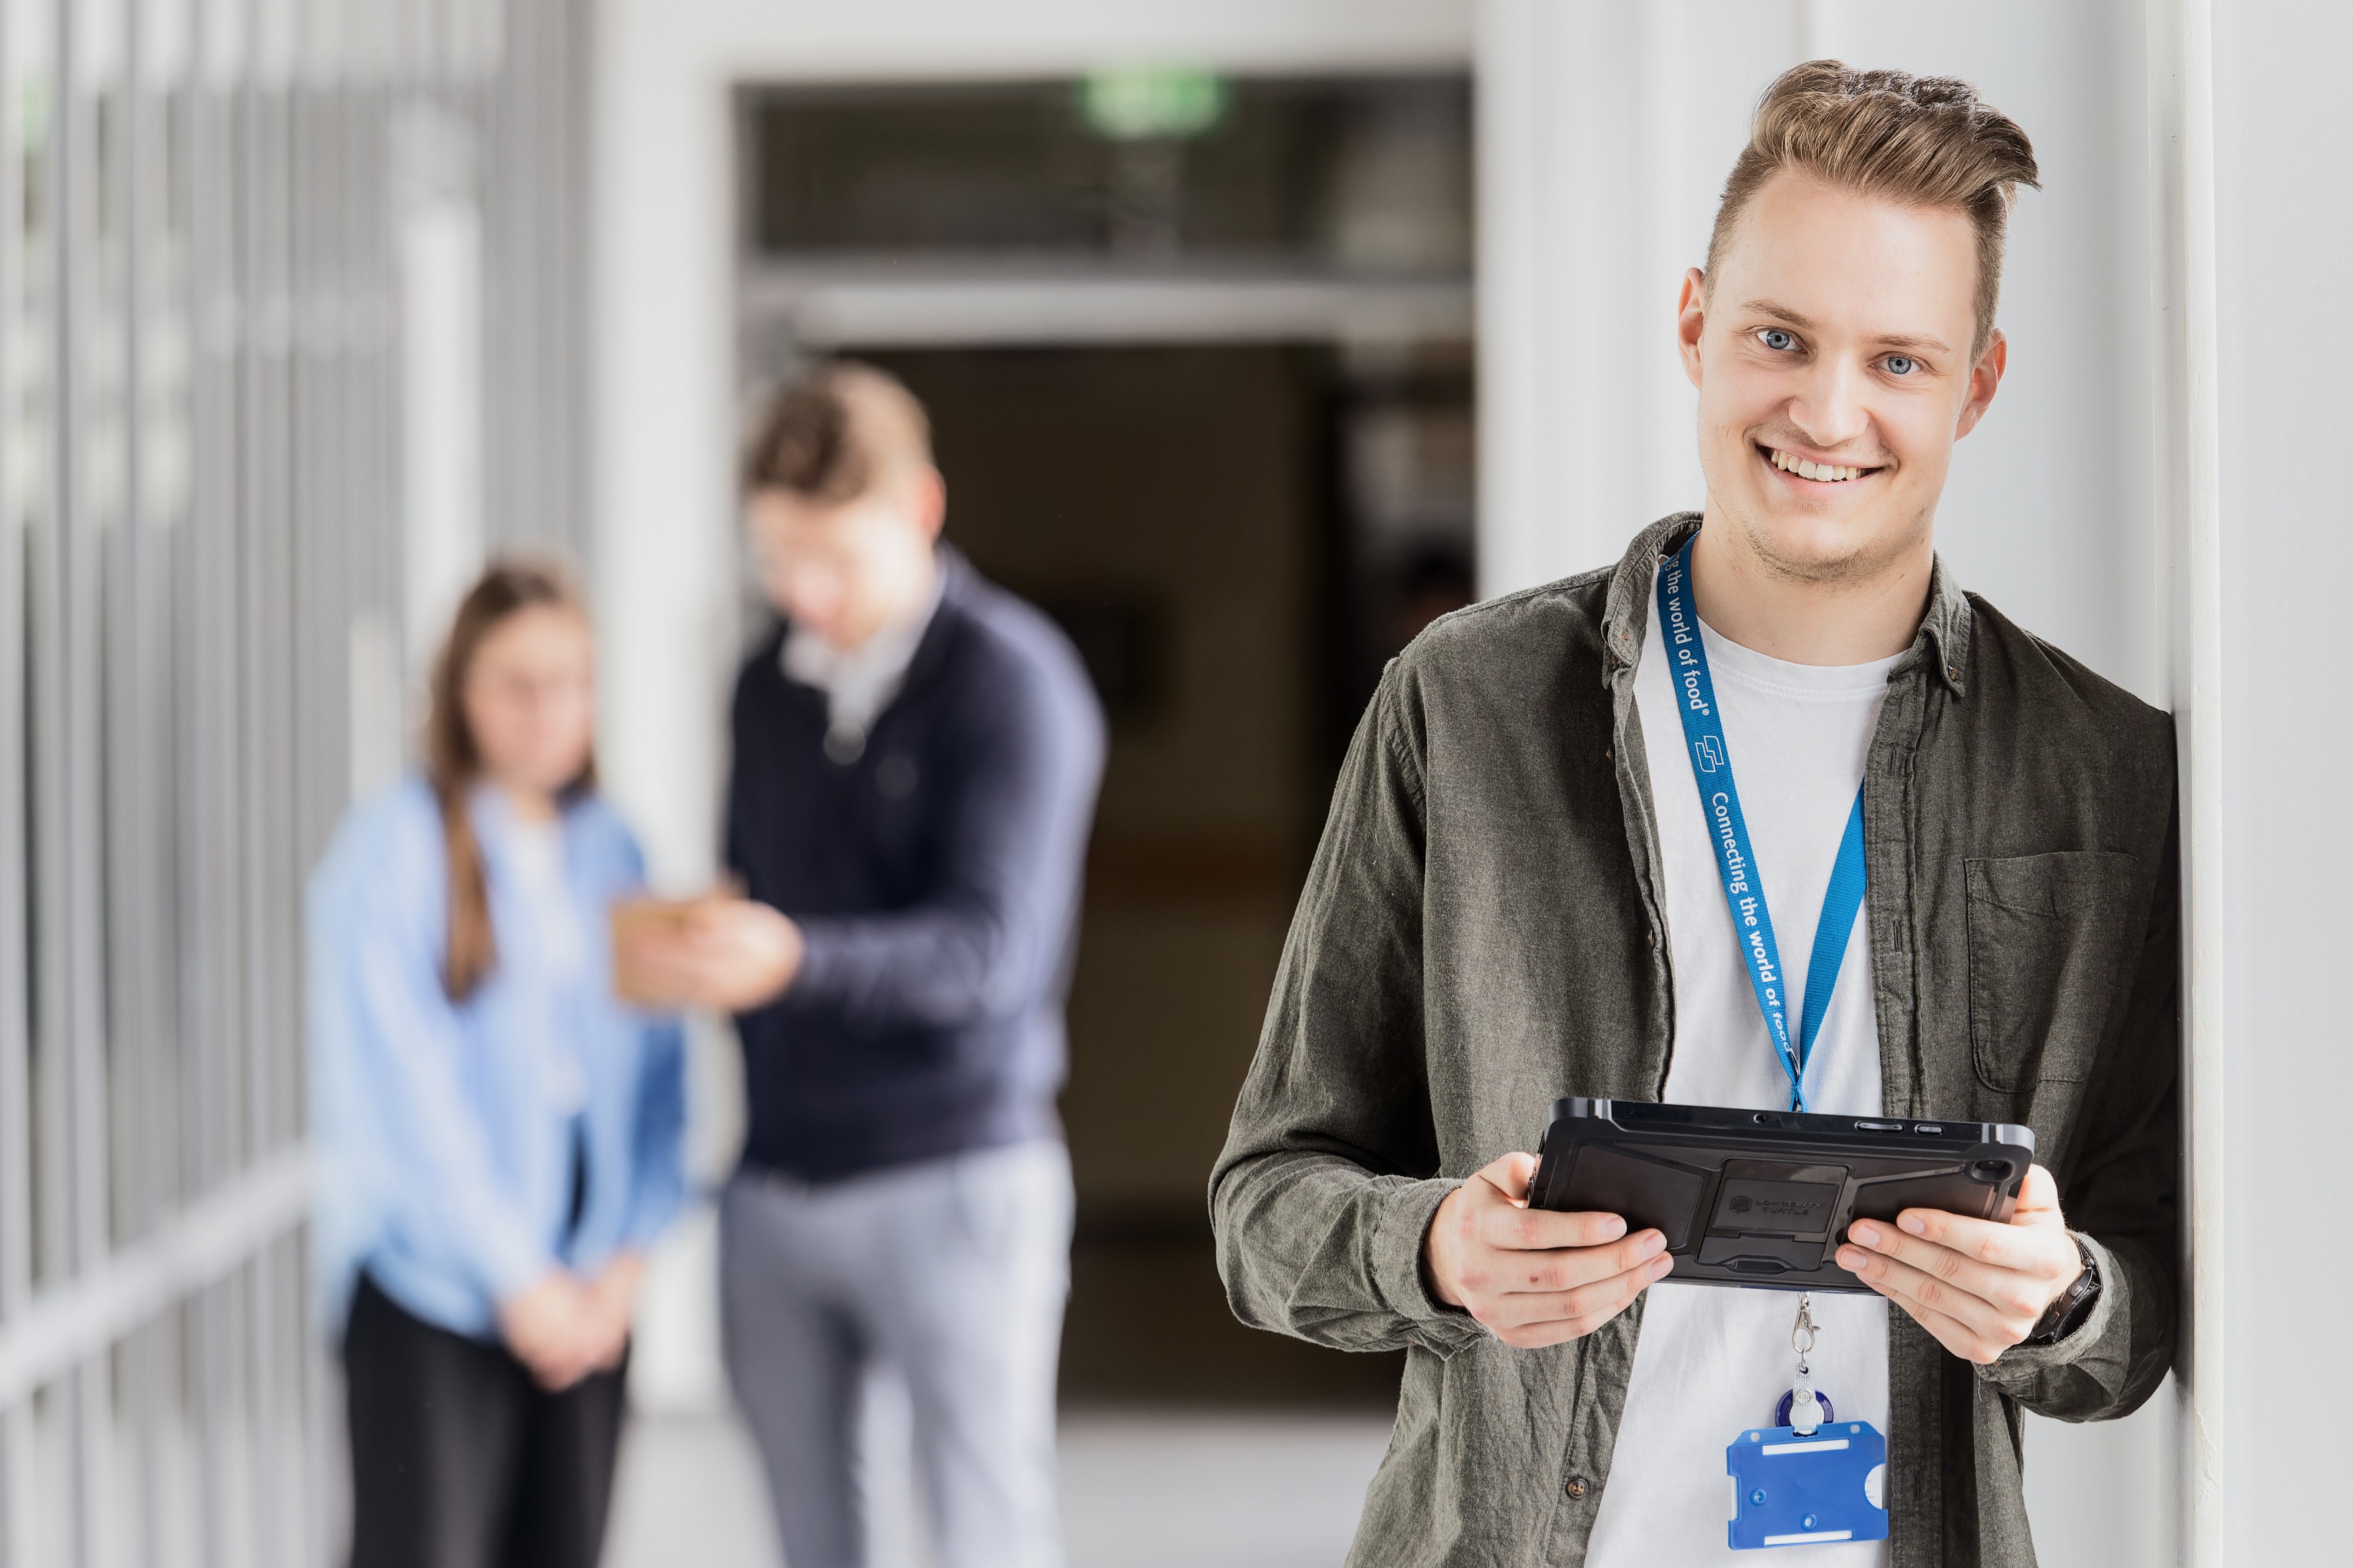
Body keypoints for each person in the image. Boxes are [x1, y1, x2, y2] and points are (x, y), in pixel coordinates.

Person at [1211, 62, 2175, 1567]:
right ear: (1692, 328)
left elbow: (2147, 1300)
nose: (1826, 411)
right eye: (1778, 337)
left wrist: (2060, 1295)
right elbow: (1265, 1205)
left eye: (1898, 362)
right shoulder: (1466, 705)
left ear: (1976, 383)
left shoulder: (2103, 774)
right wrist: (1438, 1249)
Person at [616, 362, 1105, 1568]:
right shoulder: (761, 685)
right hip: (777, 1185)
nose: (805, 591)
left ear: (921, 511)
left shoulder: (1013, 683)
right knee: (811, 1544)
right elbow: (754, 884)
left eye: (834, 557)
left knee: (986, 1532)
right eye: (779, 557)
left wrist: (788, 960)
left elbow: (989, 953)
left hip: (953, 1178)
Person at [309, 561, 687, 1568]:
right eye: (515, 683)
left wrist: (620, 1264)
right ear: (457, 691)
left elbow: (660, 1084)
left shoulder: (616, 849)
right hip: (436, 1291)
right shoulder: (389, 853)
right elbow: (403, 1100)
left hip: (587, 1289)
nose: (546, 710)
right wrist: (518, 1283)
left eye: (571, 681)